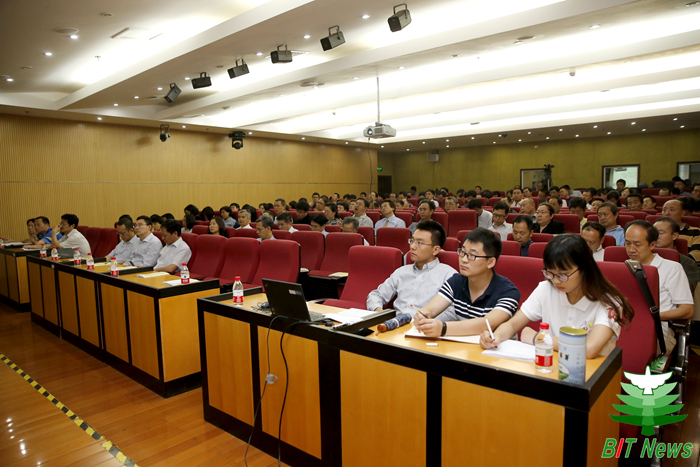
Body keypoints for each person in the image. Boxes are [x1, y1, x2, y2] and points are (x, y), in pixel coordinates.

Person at [481, 234, 634, 357]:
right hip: (551, 366)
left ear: (584, 269)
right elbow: (513, 325)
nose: (555, 281)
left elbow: (589, 349)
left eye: (562, 275)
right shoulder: (546, 288)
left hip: (591, 375)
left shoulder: (608, 302)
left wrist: (538, 338)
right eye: (550, 273)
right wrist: (495, 337)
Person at [413, 228, 520, 337]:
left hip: (497, 346)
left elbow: (487, 324)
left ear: (490, 262)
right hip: (464, 345)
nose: (464, 259)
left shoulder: (508, 292)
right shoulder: (456, 282)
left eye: (472, 255)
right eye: (463, 252)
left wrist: (443, 328)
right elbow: (430, 309)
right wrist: (423, 315)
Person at [624, 221, 693, 353]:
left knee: (632, 349)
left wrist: (652, 317)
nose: (631, 249)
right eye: (627, 243)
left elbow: (688, 310)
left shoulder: (672, 268)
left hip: (656, 328)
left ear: (652, 244)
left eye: (637, 244)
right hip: (622, 324)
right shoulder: (621, 267)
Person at [367, 220, 457, 318]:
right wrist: (379, 313)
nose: (412, 247)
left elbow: (453, 312)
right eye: (412, 241)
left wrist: (425, 322)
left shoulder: (449, 276)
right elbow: (375, 295)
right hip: (396, 324)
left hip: (427, 326)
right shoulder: (401, 272)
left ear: (435, 250)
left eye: (420, 243)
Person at [654, 217, 698, 292]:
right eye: (653, 233)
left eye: (661, 233)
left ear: (674, 235)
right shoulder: (643, 257)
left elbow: (686, 291)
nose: (656, 237)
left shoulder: (687, 263)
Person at [662, 198, 700, 263]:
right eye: (664, 210)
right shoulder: (654, 230)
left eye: (672, 210)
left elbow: (697, 254)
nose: (667, 213)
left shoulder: (696, 231)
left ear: (682, 213)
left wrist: (674, 260)